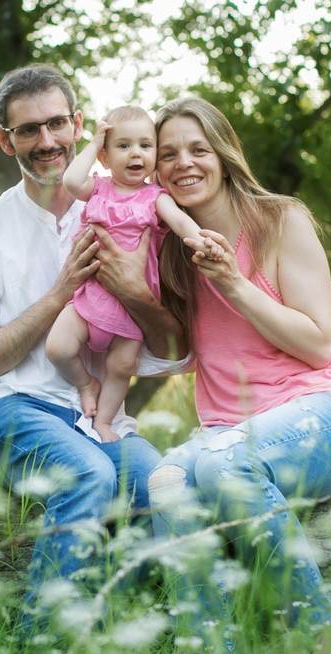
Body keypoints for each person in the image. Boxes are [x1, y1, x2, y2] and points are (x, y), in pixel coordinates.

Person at [0, 64, 187, 645]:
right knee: (90, 474)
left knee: (169, 490)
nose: (47, 141)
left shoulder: (125, 206)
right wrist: (59, 295)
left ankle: (121, 650)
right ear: (5, 140)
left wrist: (133, 293)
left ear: (80, 126)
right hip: (12, 408)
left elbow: (175, 354)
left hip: (98, 420)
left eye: (57, 124)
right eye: (29, 130)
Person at [146, 97, 331, 654]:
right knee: (165, 482)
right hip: (227, 432)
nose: (184, 163)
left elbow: (319, 343)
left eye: (198, 149)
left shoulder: (280, 220)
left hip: (328, 411)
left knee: (222, 465)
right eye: (168, 153)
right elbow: (171, 351)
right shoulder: (170, 249)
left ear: (223, 156)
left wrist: (234, 285)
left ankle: (327, 649)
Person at [47, 105, 201, 443]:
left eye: (146, 146)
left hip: (130, 308)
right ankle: (86, 384)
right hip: (91, 298)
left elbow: (180, 222)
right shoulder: (98, 189)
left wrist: (201, 241)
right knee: (57, 347)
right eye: (124, 146)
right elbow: (71, 179)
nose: (136, 154)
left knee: (122, 367)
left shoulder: (154, 197)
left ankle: (104, 421)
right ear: (104, 157)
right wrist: (94, 141)